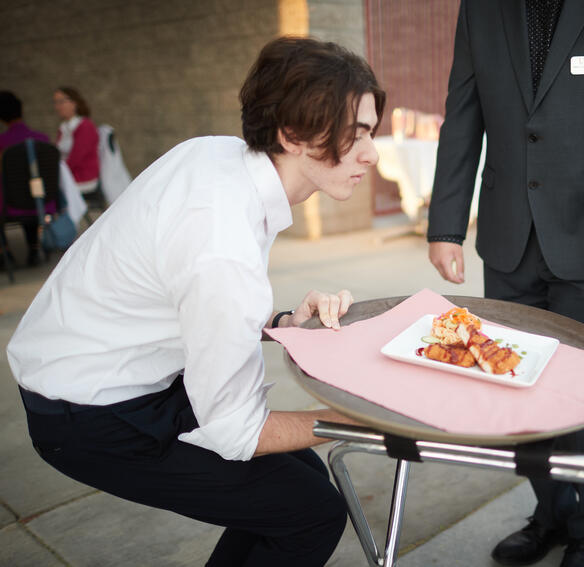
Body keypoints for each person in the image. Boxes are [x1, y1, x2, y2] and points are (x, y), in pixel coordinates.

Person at [8, 37, 385, 566]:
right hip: (89, 415)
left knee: (303, 477)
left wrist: (282, 321)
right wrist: (368, 419)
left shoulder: (216, 153)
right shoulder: (221, 243)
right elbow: (237, 432)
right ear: (293, 134)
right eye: (358, 133)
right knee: (312, 512)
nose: (372, 152)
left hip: (106, 369)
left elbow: (187, 297)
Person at [427, 2, 584, 566]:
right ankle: (552, 511)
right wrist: (446, 224)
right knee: (516, 385)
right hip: (507, 238)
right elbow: (462, 114)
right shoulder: (481, 10)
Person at [0, 90, 55, 266]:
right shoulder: (42, 139)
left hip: (12, 205)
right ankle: (33, 247)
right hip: (43, 200)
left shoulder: (3, 142)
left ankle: (4, 251)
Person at [53, 86, 100, 194]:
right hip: (67, 175)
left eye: (61, 102)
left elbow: (76, 158)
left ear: (74, 103)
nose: (57, 107)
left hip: (82, 178)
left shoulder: (85, 126)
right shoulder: (64, 127)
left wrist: (57, 174)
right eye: (55, 102)